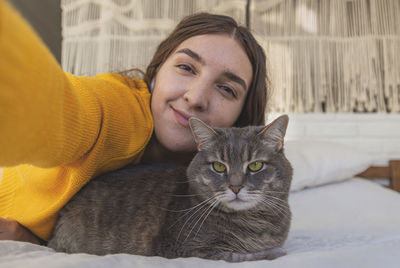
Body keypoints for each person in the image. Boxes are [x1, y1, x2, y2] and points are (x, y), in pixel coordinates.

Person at [0, 0, 268, 245]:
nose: (196, 97)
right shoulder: (117, 110)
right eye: (186, 68)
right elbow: (56, 109)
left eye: (227, 89)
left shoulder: (219, 177)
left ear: (241, 121)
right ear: (156, 72)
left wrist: (36, 240)